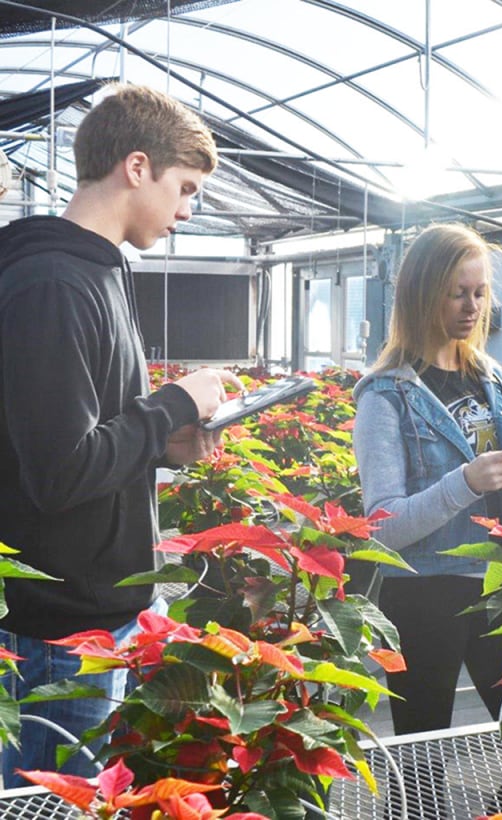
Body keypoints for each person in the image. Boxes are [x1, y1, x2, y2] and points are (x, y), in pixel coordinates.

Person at [0, 84, 242, 785]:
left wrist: (162, 447)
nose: (187, 209)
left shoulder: (98, 272)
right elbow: (59, 472)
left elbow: (81, 437)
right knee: (52, 802)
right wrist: (171, 404)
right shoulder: (52, 282)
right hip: (60, 633)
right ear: (137, 167)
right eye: (185, 187)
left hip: (105, 612)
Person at [352, 223, 502, 737]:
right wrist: (465, 482)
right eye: (456, 294)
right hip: (425, 593)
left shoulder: (500, 384)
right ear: (422, 296)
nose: (472, 308)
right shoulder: (386, 397)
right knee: (424, 746)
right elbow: (380, 527)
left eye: (480, 293)